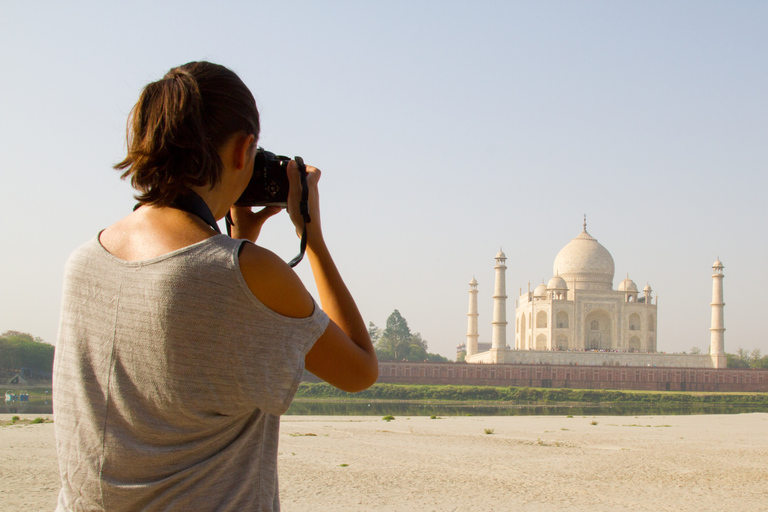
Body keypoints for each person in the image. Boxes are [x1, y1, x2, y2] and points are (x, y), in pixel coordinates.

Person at [52, 61, 378, 512]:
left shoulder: (84, 260)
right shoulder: (248, 273)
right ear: (244, 150)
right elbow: (360, 370)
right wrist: (312, 238)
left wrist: (237, 243)